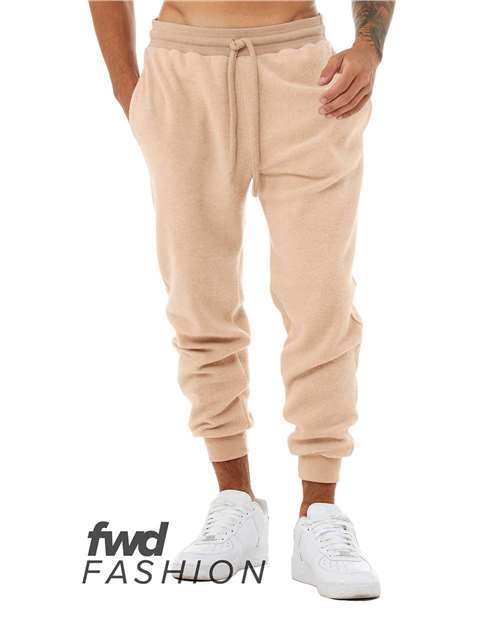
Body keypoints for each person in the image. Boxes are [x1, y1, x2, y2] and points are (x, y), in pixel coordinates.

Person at [89, 0, 394, 599]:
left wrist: (369, 46)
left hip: (306, 75)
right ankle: (235, 501)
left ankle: (319, 514)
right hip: (183, 72)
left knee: (321, 300)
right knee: (198, 300)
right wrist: (130, 92)